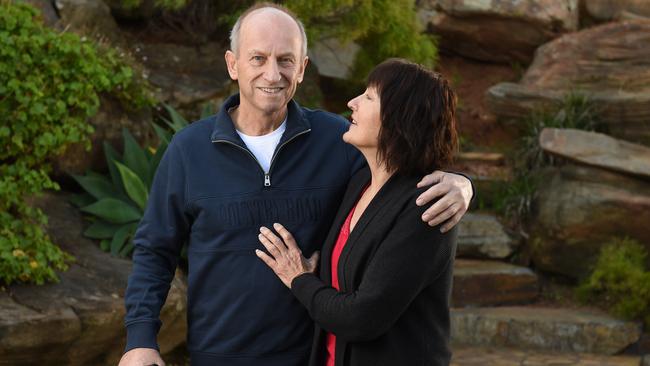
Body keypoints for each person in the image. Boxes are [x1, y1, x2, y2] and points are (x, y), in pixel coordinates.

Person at [119, 4, 473, 366]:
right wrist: (140, 340)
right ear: (232, 64)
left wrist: (461, 183)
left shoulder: (339, 140)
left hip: (310, 355)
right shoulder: (188, 149)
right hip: (217, 355)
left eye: (286, 60)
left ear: (302, 68)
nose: (272, 74)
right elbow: (155, 249)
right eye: (258, 58)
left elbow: (402, 164)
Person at [256, 58, 458, 366]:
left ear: (398, 117)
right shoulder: (360, 182)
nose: (352, 102)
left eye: (368, 97)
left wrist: (299, 278)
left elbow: (362, 318)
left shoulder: (425, 207)